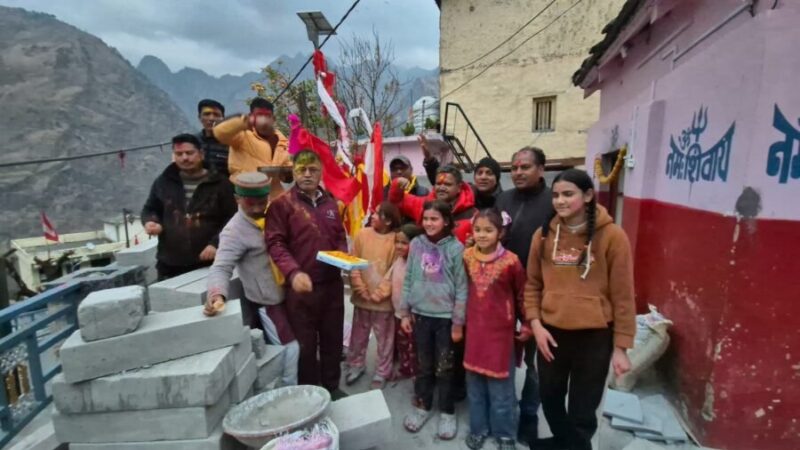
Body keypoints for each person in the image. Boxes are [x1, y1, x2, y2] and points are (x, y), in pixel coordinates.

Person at [525, 169, 635, 450]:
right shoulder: (543, 235)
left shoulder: (612, 236)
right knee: (548, 396)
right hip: (551, 334)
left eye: (568, 194)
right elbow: (533, 285)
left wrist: (621, 346)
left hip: (594, 336)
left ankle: (574, 445)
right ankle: (568, 444)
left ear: (587, 196)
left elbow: (623, 295)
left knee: (583, 408)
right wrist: (536, 325)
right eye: (556, 195)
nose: (560, 201)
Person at [265, 149, 348, 400]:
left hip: (332, 286)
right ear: (294, 172)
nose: (308, 174)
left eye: (313, 169)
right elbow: (275, 244)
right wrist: (293, 272)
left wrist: (344, 257)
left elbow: (339, 237)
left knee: (333, 340)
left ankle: (332, 386)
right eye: (302, 170)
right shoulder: (282, 205)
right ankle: (311, 393)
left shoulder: (331, 202)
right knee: (306, 345)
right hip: (301, 289)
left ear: (321, 171)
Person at [204, 172, 299, 386]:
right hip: (268, 301)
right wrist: (216, 294)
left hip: (291, 293)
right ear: (237, 199)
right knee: (290, 348)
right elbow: (220, 267)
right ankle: (291, 393)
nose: (257, 209)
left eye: (261, 203)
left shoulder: (274, 214)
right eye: (250, 204)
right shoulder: (233, 231)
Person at [494, 146, 553, 445]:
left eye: (525, 167)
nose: (518, 172)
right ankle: (503, 409)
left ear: (541, 169)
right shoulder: (502, 198)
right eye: (514, 167)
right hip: (501, 292)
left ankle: (529, 414)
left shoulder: (553, 203)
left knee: (536, 363)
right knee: (501, 353)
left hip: (538, 293)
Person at [463, 208, 532, 450]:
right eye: (478, 230)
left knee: (502, 389)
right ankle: (478, 429)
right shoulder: (467, 257)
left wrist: (527, 322)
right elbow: (460, 293)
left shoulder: (511, 262)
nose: (482, 235)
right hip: (474, 332)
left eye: (488, 230)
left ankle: (505, 435)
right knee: (475, 387)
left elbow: (523, 294)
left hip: (500, 334)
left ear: (500, 233)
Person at [399, 200, 468, 440]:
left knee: (446, 368)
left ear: (447, 221)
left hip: (446, 320)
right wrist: (404, 312)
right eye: (426, 218)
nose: (429, 223)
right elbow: (408, 278)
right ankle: (422, 406)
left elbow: (462, 288)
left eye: (434, 219)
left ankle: (448, 412)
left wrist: (458, 323)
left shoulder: (456, 249)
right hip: (421, 317)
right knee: (424, 366)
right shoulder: (417, 244)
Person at [141, 133, 236, 280]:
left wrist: (216, 243)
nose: (184, 158)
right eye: (179, 154)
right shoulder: (164, 182)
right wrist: (151, 221)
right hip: (170, 264)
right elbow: (150, 208)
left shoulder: (220, 184)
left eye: (189, 153)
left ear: (201, 154)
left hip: (210, 263)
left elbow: (233, 219)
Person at [345, 202, 402, 390]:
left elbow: (394, 271)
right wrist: (359, 287)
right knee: (358, 335)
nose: (373, 215)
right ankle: (356, 364)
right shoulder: (362, 235)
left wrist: (380, 294)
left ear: (388, 220)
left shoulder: (396, 240)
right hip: (362, 299)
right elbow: (353, 263)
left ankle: (382, 371)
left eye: (377, 213)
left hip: (383, 303)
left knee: (385, 339)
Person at [213, 97, 292, 198]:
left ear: (273, 119)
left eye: (267, 116)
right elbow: (219, 133)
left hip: (275, 200)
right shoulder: (241, 136)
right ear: (251, 116)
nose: (263, 120)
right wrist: (244, 121)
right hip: (247, 197)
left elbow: (288, 169)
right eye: (259, 116)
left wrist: (289, 173)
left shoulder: (283, 141)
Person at [376, 222, 424, 380]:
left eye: (404, 243)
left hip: (411, 315)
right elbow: (388, 279)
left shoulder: (417, 264)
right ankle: (406, 369)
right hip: (398, 312)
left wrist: (410, 313)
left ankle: (416, 373)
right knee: (403, 344)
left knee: (413, 346)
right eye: (397, 242)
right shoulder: (398, 261)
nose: (399, 246)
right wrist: (377, 294)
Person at [389, 164, 476, 244]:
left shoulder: (472, 215)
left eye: (447, 184)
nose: (441, 188)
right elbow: (397, 203)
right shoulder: (423, 204)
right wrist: (397, 185)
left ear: (459, 187)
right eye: (438, 184)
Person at [420, 134, 502, 208]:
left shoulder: (505, 200)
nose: (483, 177)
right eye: (479, 173)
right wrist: (429, 158)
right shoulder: (467, 193)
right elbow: (441, 178)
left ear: (497, 179)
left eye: (489, 173)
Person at [195, 99, 229, 177]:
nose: (211, 118)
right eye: (207, 114)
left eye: (216, 115)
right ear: (199, 117)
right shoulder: (193, 142)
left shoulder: (231, 143)